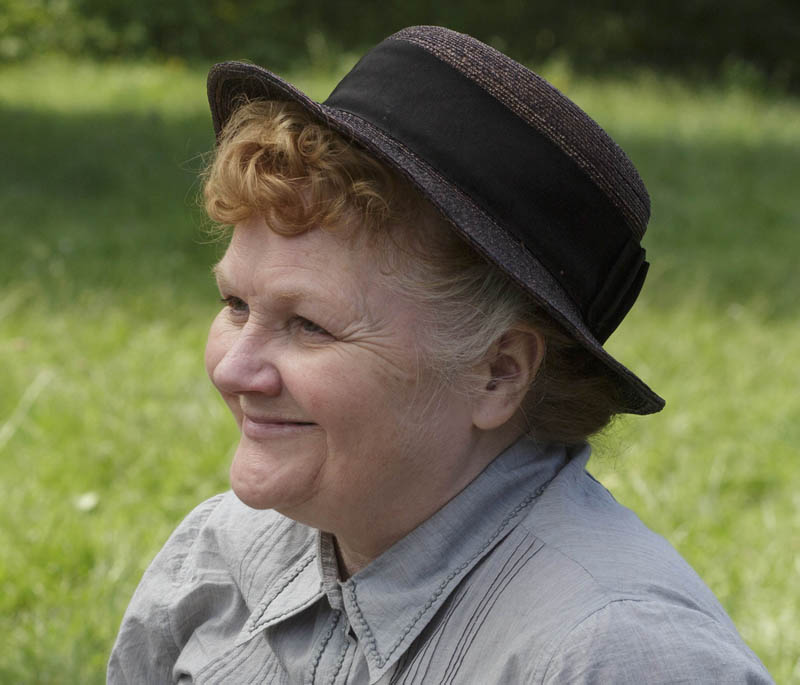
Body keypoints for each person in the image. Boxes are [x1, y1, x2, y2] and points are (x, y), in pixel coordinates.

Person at [108, 26, 773, 684]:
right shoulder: (220, 556)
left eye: (309, 325)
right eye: (235, 304)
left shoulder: (613, 656)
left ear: (498, 373)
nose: (232, 369)